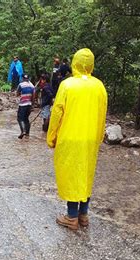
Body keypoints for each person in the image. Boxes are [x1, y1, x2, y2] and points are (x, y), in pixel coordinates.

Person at [47, 48, 107, 231]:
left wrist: (51, 136)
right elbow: (102, 115)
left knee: (72, 174)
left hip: (70, 137)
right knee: (86, 175)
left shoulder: (67, 85)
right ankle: (84, 215)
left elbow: (57, 112)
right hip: (90, 138)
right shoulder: (99, 87)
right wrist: (99, 137)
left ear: (74, 63)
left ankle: (71, 216)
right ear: (91, 65)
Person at [16, 74, 35, 139]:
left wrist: (20, 94)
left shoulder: (21, 84)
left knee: (20, 118)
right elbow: (34, 96)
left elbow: (17, 94)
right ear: (28, 79)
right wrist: (32, 105)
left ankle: (23, 131)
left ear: (23, 78)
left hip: (23, 104)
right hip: (29, 104)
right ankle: (27, 134)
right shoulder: (32, 86)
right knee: (26, 119)